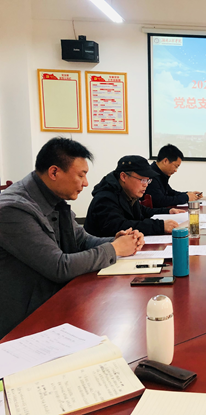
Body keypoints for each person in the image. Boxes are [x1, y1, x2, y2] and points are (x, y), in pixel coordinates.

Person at [0, 137, 143, 338]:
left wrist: (117, 240)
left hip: (57, 300)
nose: (86, 183)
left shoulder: (53, 199)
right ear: (54, 172)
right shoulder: (13, 210)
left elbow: (82, 240)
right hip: (24, 323)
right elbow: (59, 267)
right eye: (81, 175)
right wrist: (114, 249)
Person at [85, 155, 186, 237]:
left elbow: (143, 211)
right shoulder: (105, 198)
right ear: (123, 177)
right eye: (142, 180)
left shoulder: (128, 193)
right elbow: (119, 226)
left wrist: (168, 211)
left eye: (148, 180)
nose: (146, 184)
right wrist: (159, 226)